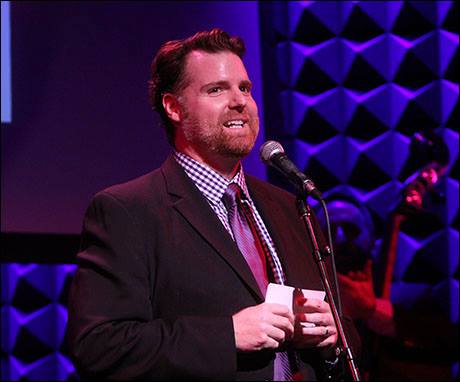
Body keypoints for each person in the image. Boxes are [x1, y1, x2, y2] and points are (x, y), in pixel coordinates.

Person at [66, 28, 360, 381]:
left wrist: (332, 338)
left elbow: (351, 344)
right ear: (174, 107)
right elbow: (99, 347)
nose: (240, 101)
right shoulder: (127, 211)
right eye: (216, 89)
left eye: (245, 88)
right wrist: (228, 335)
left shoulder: (291, 207)